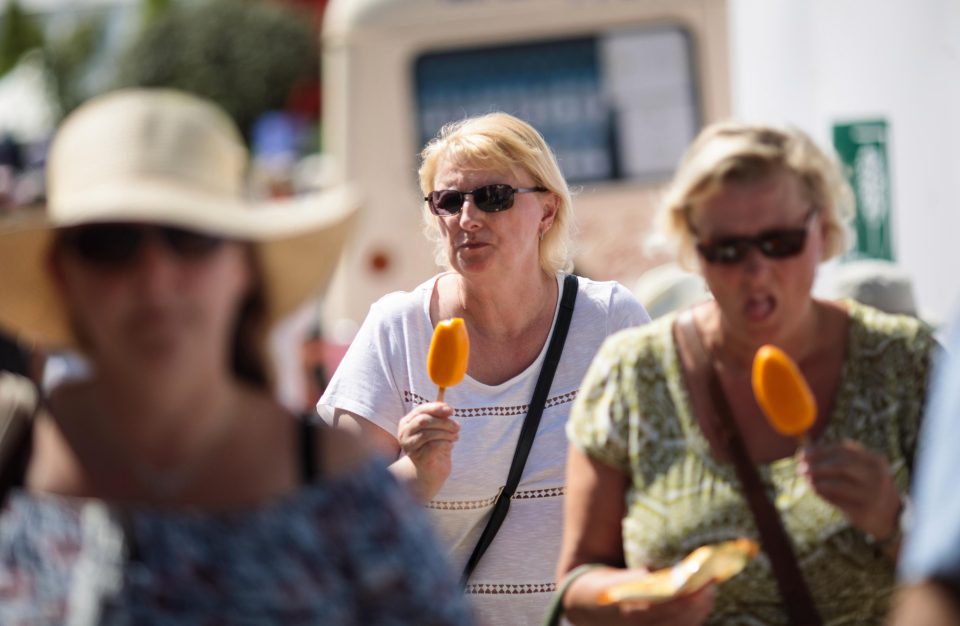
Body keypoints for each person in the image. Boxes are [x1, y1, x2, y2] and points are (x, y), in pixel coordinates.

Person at [0, 88, 473, 625]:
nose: (154, 276)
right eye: (110, 242)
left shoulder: (344, 492)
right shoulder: (11, 453)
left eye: (189, 236)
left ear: (243, 265)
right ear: (63, 274)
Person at [555, 122, 937, 625]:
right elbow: (576, 581)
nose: (756, 271)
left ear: (822, 232)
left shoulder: (904, 363)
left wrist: (894, 522)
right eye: (728, 249)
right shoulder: (633, 372)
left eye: (779, 242)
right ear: (693, 250)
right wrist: (637, 599)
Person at [318, 112, 649, 624]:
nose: (468, 218)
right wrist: (416, 474)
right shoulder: (398, 328)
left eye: (492, 196)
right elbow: (336, 518)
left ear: (546, 210)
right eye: (449, 201)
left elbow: (664, 475)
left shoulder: (609, 320)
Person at [890, 319, 960, 626]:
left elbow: (943, 580)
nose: (756, 271)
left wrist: (888, 521)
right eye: (725, 264)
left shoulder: (907, 354)